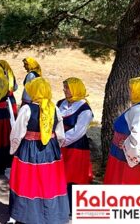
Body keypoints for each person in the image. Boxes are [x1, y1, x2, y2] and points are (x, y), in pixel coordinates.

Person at [8, 77, 69, 224]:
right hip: (50, 150)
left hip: (30, 149)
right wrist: (55, 147)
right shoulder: (54, 108)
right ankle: (50, 215)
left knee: (28, 181)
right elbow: (60, 134)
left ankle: (28, 215)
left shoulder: (27, 109)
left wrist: (13, 149)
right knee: (48, 182)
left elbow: (17, 133)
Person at [57, 77, 93, 211]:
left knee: (73, 176)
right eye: (64, 87)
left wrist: (61, 140)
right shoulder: (61, 103)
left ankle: (71, 207)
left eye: (67, 88)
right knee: (60, 174)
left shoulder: (85, 109)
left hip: (75, 147)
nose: (64, 90)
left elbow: (79, 131)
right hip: (60, 144)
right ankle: (59, 204)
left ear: (75, 89)